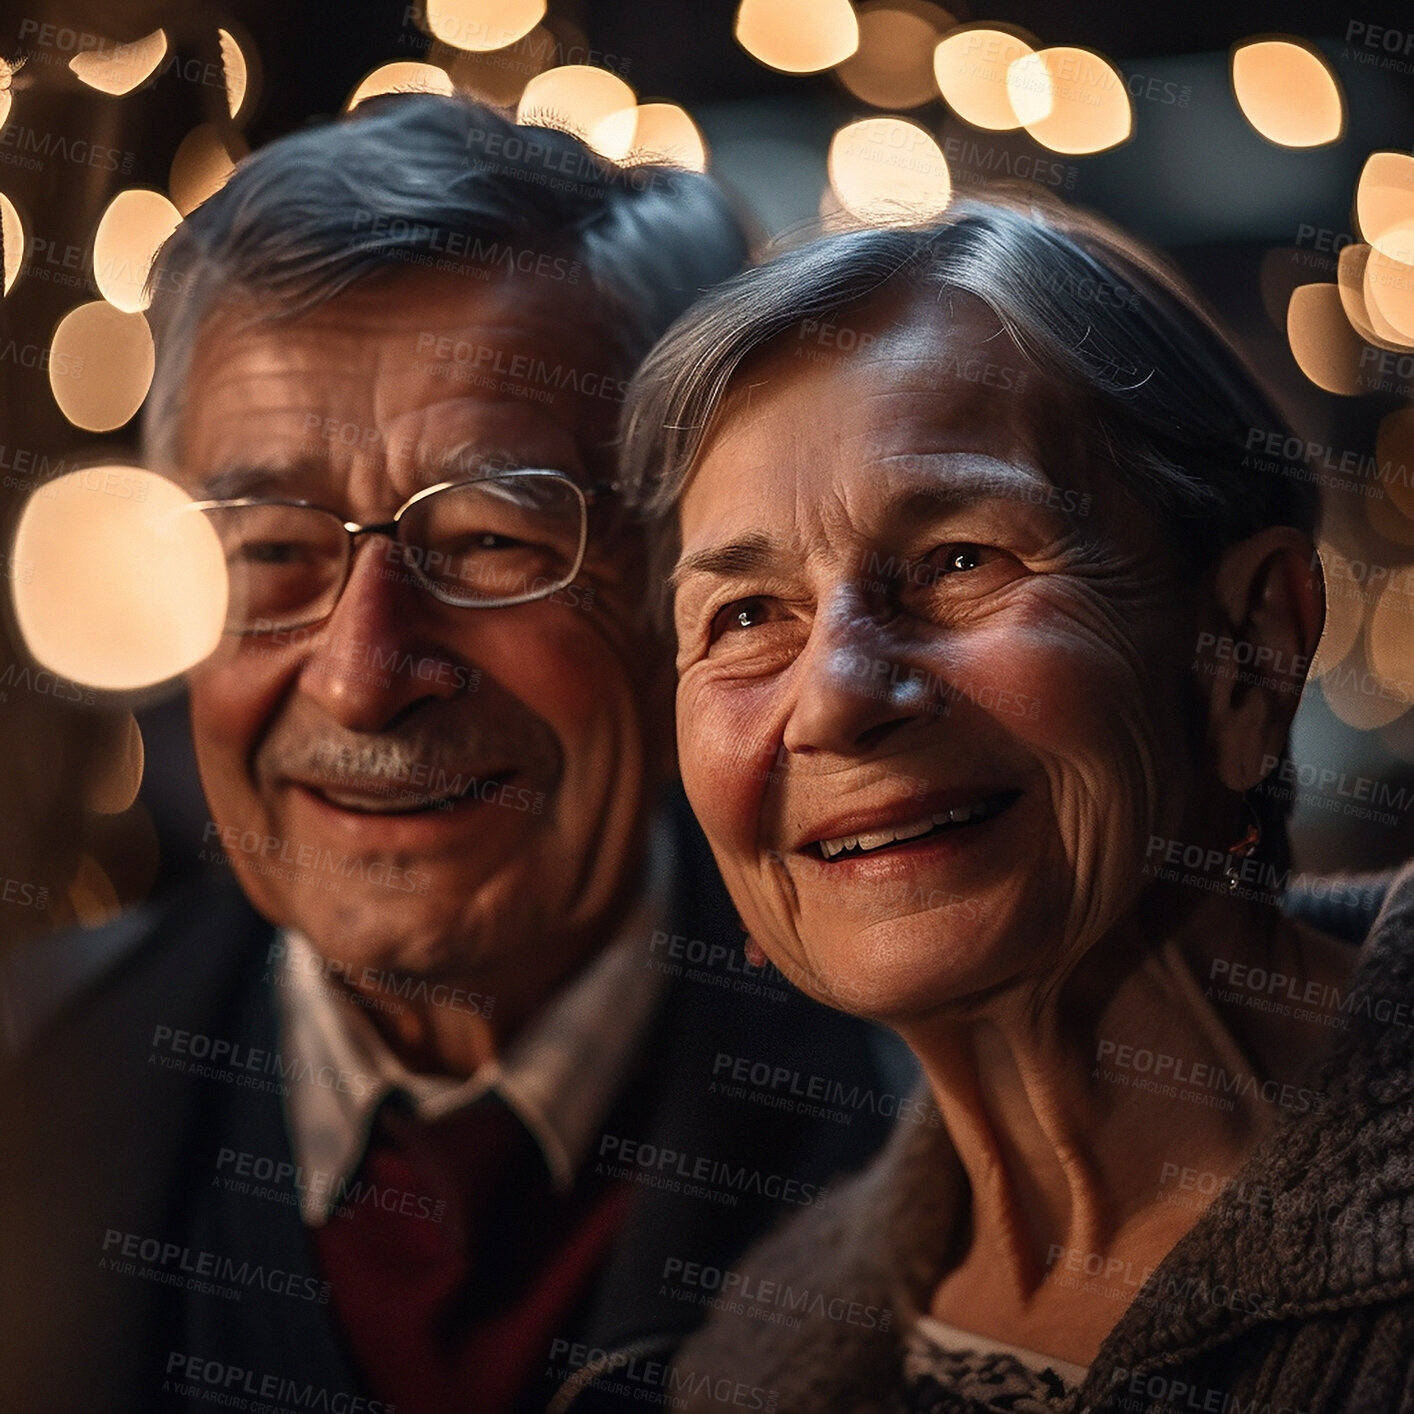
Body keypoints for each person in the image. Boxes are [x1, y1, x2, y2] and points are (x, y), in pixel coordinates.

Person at [0, 97, 912, 1414]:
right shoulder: (31, 1080)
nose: (363, 676)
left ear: (688, 582)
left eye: (490, 539)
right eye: (270, 552)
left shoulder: (952, 1116)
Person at [620, 197, 1414, 1411]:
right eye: (744, 616)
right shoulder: (748, 1357)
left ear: (1251, 646)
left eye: (957, 561)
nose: (833, 700)